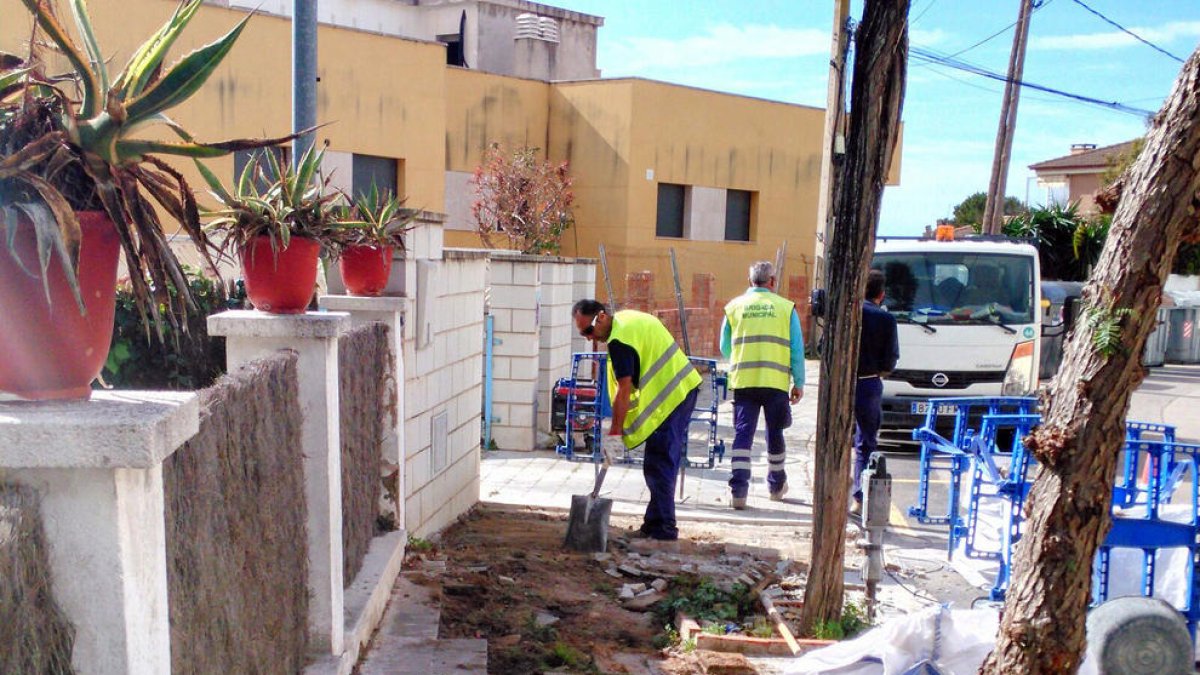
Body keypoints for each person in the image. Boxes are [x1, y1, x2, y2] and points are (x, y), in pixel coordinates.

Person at [571, 299, 701, 540]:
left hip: (672, 397)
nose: (589, 338)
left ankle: (664, 530)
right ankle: (654, 524)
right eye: (583, 334)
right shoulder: (626, 320)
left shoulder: (620, 341)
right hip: (681, 390)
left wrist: (615, 433)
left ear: (600, 317)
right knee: (657, 462)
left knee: (660, 464)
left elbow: (624, 389)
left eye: (588, 331)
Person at [720, 261, 804, 509]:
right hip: (775, 382)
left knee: (743, 434)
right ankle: (776, 486)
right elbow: (796, 350)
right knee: (774, 431)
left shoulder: (734, 307)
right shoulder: (786, 308)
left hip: (744, 382)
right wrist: (798, 382)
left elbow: (725, 347)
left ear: (749, 281)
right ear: (773, 281)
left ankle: (739, 492)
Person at [852, 269, 899, 517]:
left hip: (841, 384)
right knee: (865, 442)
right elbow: (890, 360)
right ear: (881, 294)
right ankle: (859, 498)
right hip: (869, 383)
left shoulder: (848, 314)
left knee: (835, 440)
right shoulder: (885, 319)